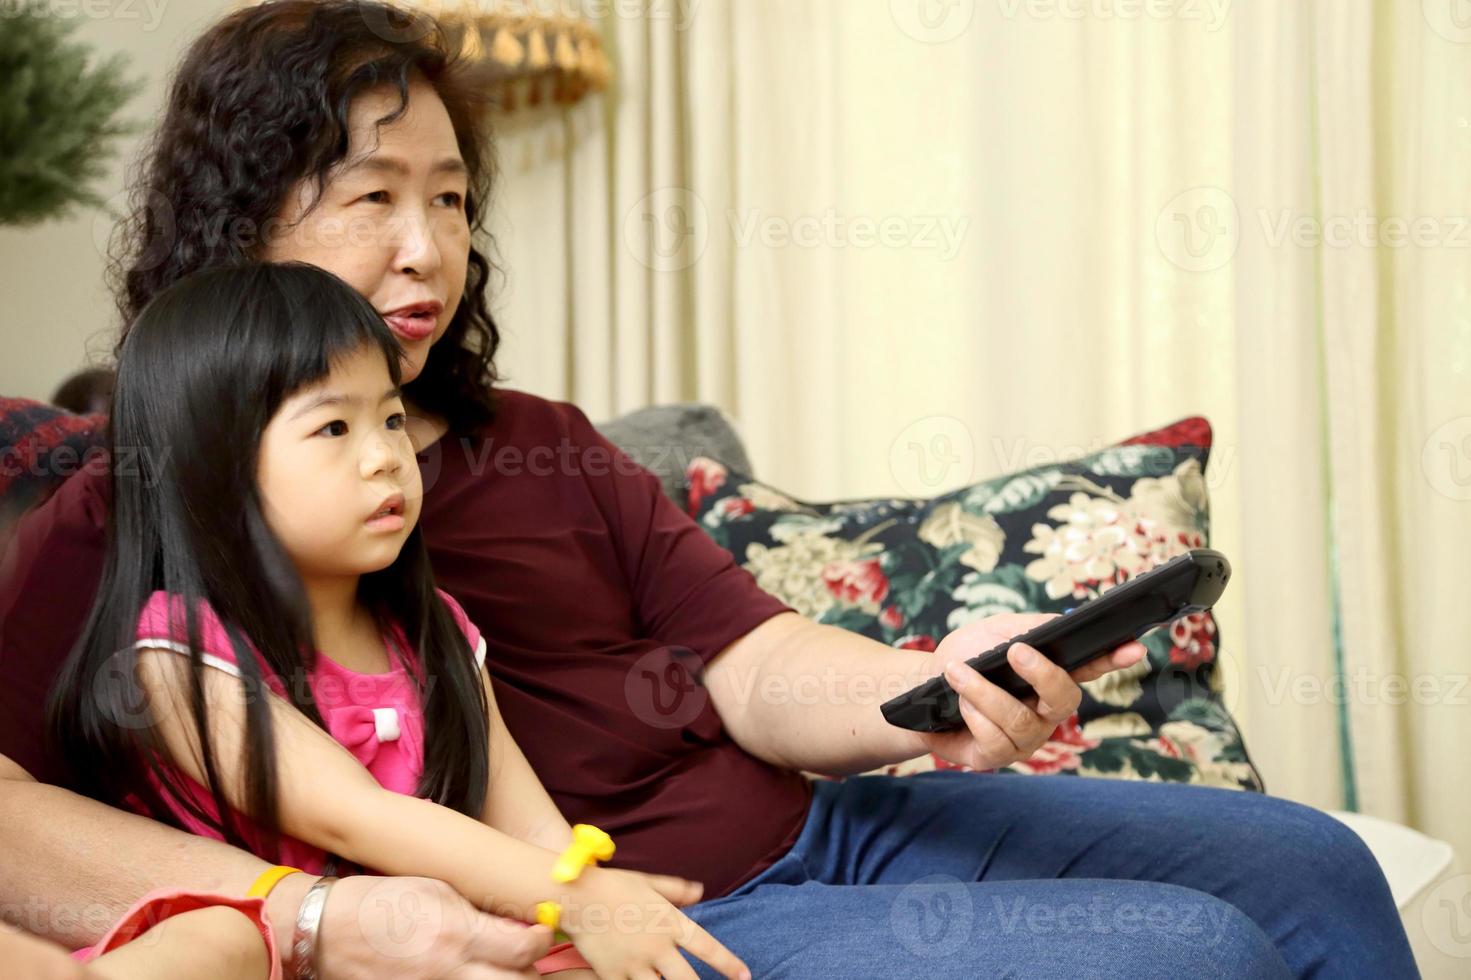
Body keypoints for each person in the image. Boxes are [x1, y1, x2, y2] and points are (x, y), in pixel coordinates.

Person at [0, 2, 1417, 977]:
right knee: (1195, 957)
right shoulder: (140, 508)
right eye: (373, 197)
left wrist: (928, 682)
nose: (426, 245)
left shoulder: (537, 438)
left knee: (1307, 869)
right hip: (679, 919)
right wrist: (303, 923)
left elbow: (752, 661)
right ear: (243, 225)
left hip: (827, 825)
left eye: (448, 197)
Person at [45, 260, 747, 980]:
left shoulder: (436, 633)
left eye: (390, 418)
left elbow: (534, 832)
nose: (386, 457)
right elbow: (355, 816)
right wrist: (581, 899)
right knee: (218, 939)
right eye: (334, 428)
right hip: (286, 953)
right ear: (212, 468)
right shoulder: (179, 657)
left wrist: (589, 911)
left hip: (424, 954)